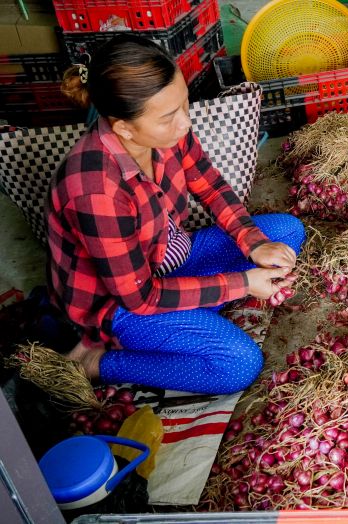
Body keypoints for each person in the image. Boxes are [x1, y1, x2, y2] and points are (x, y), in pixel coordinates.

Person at [48, 34, 305, 395]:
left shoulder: (168, 134)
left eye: (184, 105)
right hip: (124, 303)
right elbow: (142, 297)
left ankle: (191, 318)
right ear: (122, 126)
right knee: (238, 364)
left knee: (285, 232)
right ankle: (96, 361)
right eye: (170, 116)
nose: (185, 123)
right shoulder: (94, 190)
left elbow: (212, 187)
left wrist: (255, 243)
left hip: (173, 257)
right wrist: (245, 283)